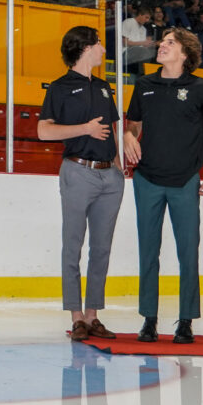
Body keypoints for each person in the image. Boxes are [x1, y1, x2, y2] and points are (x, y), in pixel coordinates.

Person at [123, 28, 203, 344]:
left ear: (185, 53)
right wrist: (128, 135)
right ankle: (149, 319)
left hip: (185, 181)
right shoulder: (144, 84)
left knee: (188, 253)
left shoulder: (199, 87)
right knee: (148, 253)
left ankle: (185, 321)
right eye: (162, 41)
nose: (162, 45)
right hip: (147, 180)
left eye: (170, 42)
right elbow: (133, 124)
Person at [37, 26, 123, 341]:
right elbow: (44, 131)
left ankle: (93, 315)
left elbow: (112, 129)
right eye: (100, 43)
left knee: (101, 248)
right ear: (87, 46)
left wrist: (118, 167)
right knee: (73, 245)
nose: (103, 49)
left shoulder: (104, 87)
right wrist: (83, 129)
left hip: (109, 176)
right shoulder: (59, 87)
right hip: (77, 172)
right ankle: (76, 317)